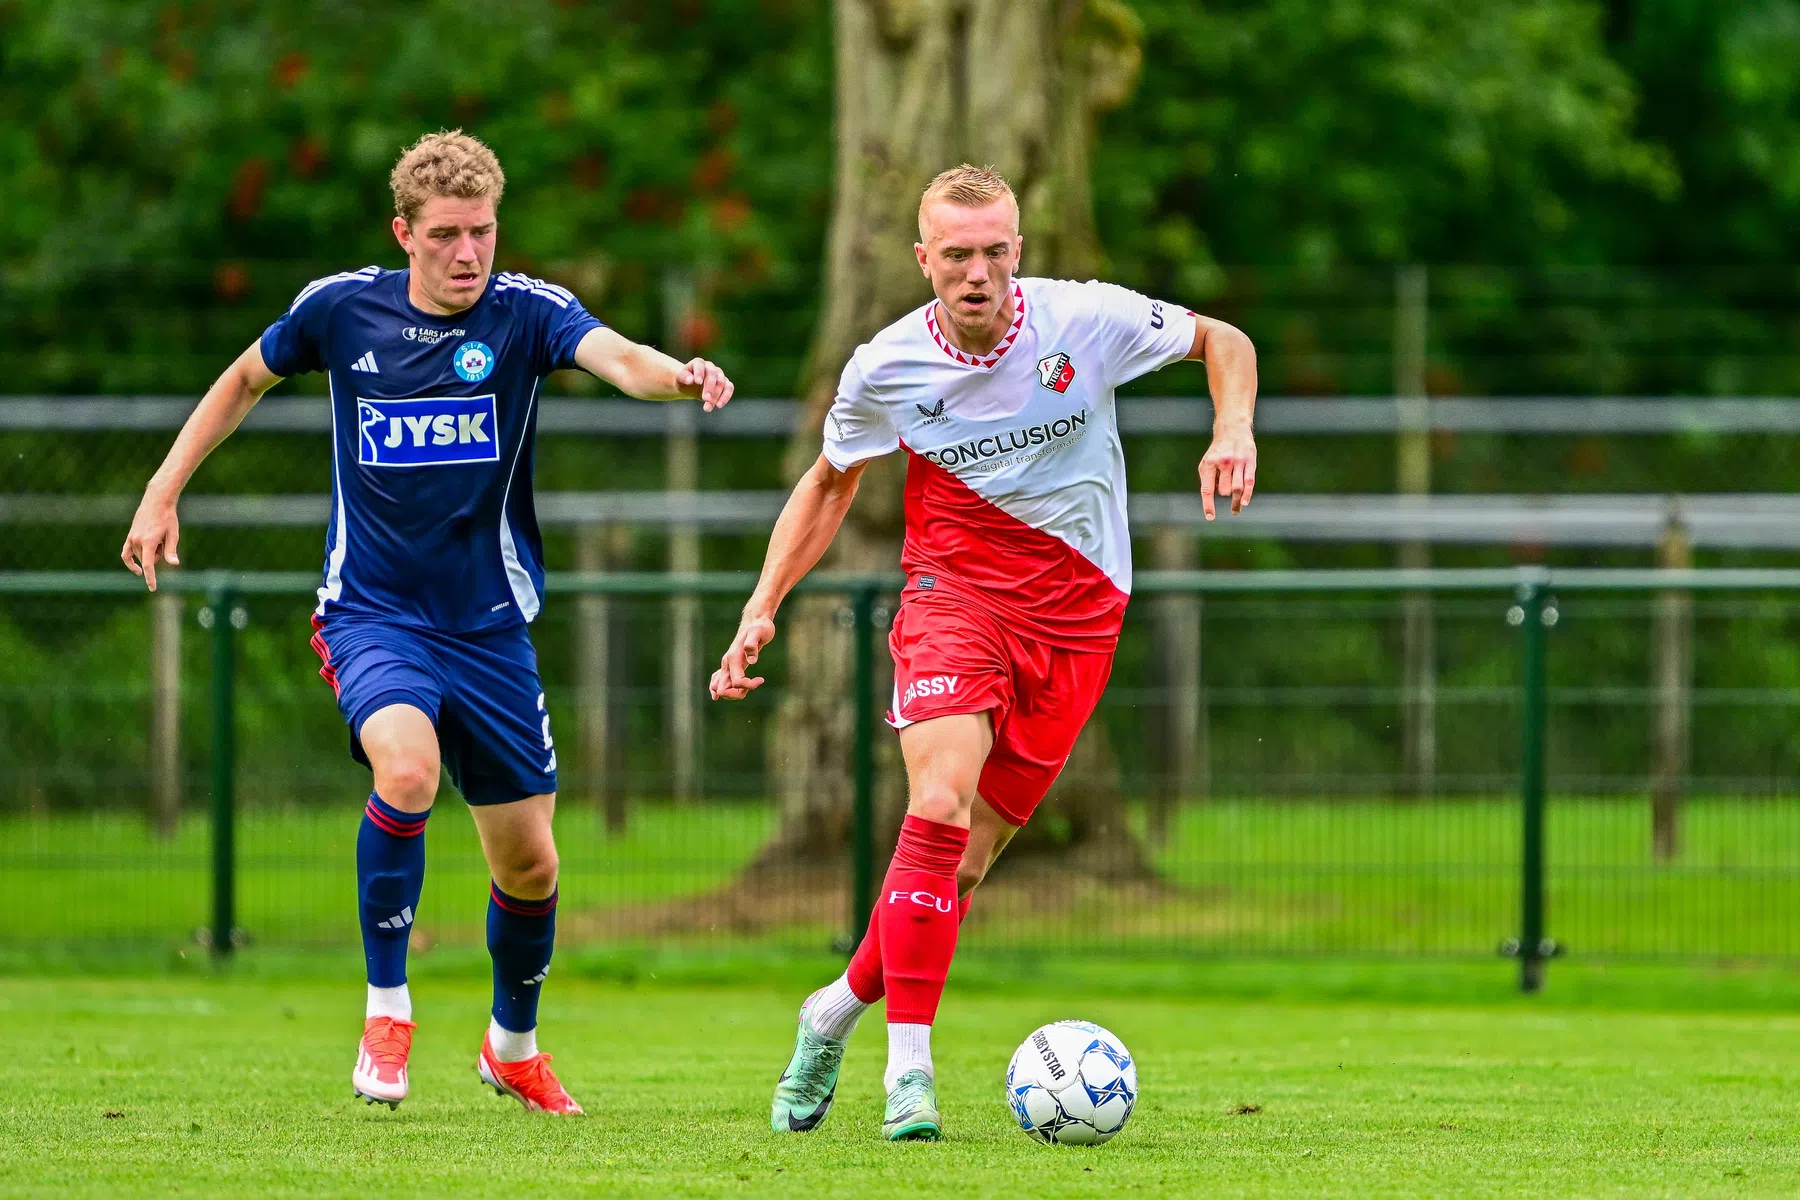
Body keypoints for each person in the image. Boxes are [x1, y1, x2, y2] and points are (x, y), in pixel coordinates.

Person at [122, 129, 735, 1115]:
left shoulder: (526, 313)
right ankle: (388, 1009)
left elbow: (617, 356)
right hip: (373, 613)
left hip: (488, 627)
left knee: (530, 863)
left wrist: (680, 375)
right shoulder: (341, 309)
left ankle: (512, 1047)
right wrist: (162, 491)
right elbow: (242, 379)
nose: (467, 253)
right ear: (403, 233)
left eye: (481, 231)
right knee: (405, 771)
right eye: (445, 234)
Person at [710, 164, 1257, 1141]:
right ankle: (908, 1076)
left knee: (954, 873)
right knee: (936, 800)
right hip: (953, 598)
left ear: (1018, 251)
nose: (977, 272)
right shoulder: (885, 366)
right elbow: (830, 482)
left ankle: (829, 1013)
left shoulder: (1083, 319)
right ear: (924, 259)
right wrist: (763, 604)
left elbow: (1226, 339)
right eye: (956, 254)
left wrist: (1233, 428)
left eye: (994, 252)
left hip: (1080, 620)